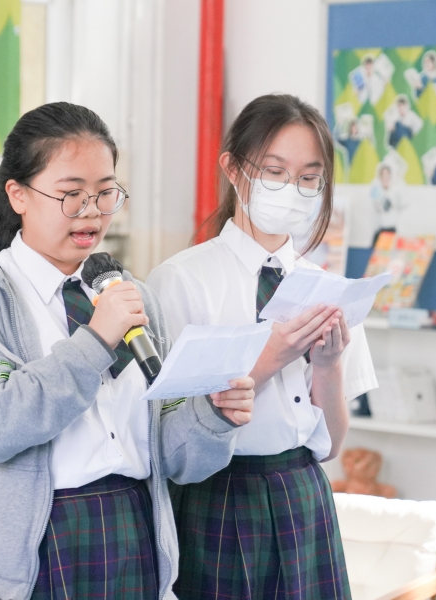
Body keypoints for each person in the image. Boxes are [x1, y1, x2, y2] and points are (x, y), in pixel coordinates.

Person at [0, 102, 256, 600]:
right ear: (17, 194)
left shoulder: (132, 296)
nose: (92, 211)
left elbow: (169, 455)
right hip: (27, 553)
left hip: (129, 532)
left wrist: (212, 415)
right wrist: (96, 341)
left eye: (105, 193)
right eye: (71, 194)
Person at [147, 94, 377, 600]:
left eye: (309, 178)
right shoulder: (181, 280)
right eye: (274, 172)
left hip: (303, 490)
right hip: (217, 495)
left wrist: (329, 365)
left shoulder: (328, 289)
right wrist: (269, 357)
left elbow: (332, 445)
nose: (292, 190)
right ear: (233, 169)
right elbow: (164, 438)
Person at [370, 161, 406, 245]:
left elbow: (401, 208)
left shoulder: (395, 192)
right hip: (380, 229)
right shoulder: (376, 191)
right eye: (383, 174)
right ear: (380, 176)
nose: (385, 177)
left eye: (387, 174)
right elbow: (376, 208)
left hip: (392, 228)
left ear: (390, 176)